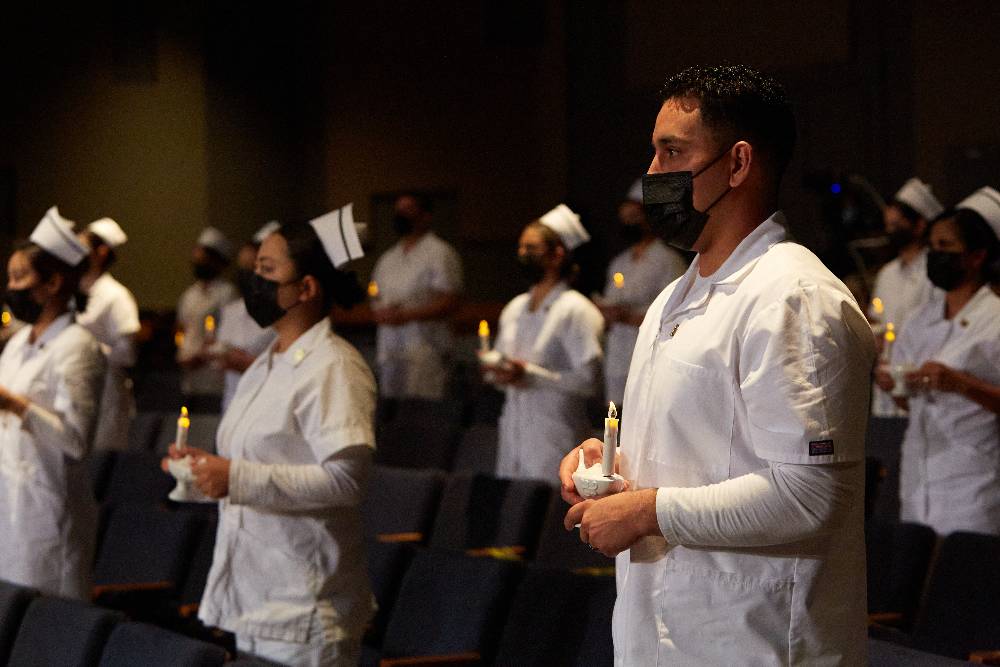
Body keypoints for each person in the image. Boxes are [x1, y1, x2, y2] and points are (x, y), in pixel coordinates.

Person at [559, 65, 875, 665]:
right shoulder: (675, 297)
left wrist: (647, 510)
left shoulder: (792, 296)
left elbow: (811, 495)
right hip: (665, 633)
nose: (652, 175)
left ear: (737, 164)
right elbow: (699, 454)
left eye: (672, 153)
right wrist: (608, 463)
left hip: (754, 643)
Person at [164, 205, 374, 666]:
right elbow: (251, 461)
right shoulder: (268, 361)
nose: (252, 280)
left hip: (305, 606)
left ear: (306, 288)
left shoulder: (334, 366)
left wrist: (235, 477)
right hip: (257, 594)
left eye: (266, 270)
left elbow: (346, 481)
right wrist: (204, 471)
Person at [877, 186, 1000, 536]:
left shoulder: (995, 318)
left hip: (975, 485)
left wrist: (960, 383)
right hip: (919, 480)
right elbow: (906, 401)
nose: (934, 255)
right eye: (932, 246)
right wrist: (891, 383)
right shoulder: (921, 320)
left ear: (976, 256)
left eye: (946, 247)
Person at [0, 207, 105, 598]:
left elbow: (76, 440)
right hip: (10, 509)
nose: (11, 287)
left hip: (49, 514)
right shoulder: (17, 344)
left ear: (53, 283)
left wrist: (17, 405)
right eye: (9, 277)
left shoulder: (78, 346)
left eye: (20, 278)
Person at [488, 204, 604, 482]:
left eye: (532, 248)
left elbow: (589, 381)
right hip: (514, 435)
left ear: (557, 255)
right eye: (521, 248)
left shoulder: (576, 310)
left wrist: (531, 375)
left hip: (555, 435)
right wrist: (496, 372)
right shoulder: (515, 307)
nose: (523, 255)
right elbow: (502, 364)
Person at [599, 180, 687, 406]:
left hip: (651, 358)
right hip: (618, 355)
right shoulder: (620, 262)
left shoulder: (668, 260)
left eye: (635, 215)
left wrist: (627, 317)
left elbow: (678, 314)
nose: (629, 222)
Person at [370, 194, 462, 401]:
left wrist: (407, 315)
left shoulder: (439, 253)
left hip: (425, 347)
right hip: (391, 347)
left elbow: (451, 301)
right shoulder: (388, 258)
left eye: (408, 209)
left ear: (425, 216)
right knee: (391, 411)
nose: (401, 214)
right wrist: (380, 311)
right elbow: (375, 294)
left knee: (421, 411)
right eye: (398, 209)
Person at [868, 178, 944, 416]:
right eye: (888, 225)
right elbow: (877, 318)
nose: (890, 231)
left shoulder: (933, 273)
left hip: (918, 377)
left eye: (897, 225)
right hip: (886, 378)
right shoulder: (887, 274)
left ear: (919, 225)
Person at [77, 217, 141, 451]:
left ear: (101, 252)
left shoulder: (116, 295)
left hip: (106, 394)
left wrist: (89, 351)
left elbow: (127, 353)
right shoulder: (75, 292)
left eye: (82, 246)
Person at [214, 222, 279, 413]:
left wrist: (246, 362)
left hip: (266, 406)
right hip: (233, 403)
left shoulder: (282, 314)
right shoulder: (232, 310)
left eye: (253, 270)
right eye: (243, 271)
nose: (249, 277)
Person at [176, 227, 237, 411]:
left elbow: (227, 336)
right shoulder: (189, 295)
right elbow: (182, 329)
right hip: (189, 379)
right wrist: (182, 353)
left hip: (213, 380)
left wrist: (201, 356)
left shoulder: (227, 294)